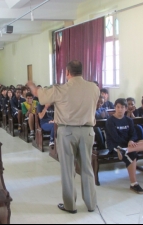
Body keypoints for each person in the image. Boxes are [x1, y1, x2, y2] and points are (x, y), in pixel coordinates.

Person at [27, 60, 99, 213]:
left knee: (68, 170)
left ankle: (70, 206)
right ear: (81, 71)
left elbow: (38, 95)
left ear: (67, 73)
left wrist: (32, 85)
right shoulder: (94, 87)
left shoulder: (60, 89)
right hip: (87, 131)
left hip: (67, 132)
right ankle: (91, 204)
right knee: (87, 168)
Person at [105, 98, 143, 194]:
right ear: (115, 108)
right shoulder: (110, 121)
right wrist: (129, 144)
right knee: (132, 155)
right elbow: (115, 138)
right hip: (115, 145)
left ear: (126, 109)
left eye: (122, 107)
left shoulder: (129, 120)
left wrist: (131, 141)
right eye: (118, 107)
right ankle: (134, 183)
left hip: (127, 146)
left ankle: (126, 150)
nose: (120, 109)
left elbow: (133, 134)